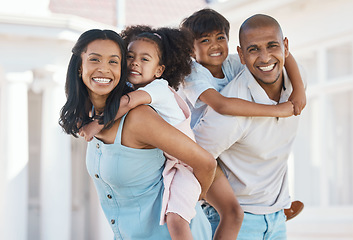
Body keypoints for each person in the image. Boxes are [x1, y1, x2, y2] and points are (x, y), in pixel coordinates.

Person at [58, 29, 215, 239]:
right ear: (80, 66)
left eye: (113, 61)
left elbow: (206, 163)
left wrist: (191, 198)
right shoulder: (89, 116)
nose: (104, 69)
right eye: (95, 59)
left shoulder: (138, 117)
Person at [179, 7, 304, 231]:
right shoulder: (193, 74)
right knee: (232, 212)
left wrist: (299, 90)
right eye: (205, 40)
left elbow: (285, 56)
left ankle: (278, 207)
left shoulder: (233, 62)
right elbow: (223, 105)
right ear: (191, 50)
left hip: (261, 200)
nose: (215, 45)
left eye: (220, 38)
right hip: (196, 148)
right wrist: (277, 110)